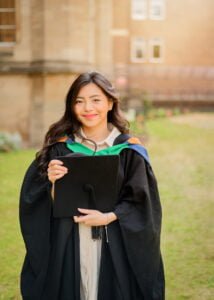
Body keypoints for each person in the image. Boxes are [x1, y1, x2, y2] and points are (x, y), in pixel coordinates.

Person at [19, 71, 165, 300]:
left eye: (95, 99)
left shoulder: (129, 151)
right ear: (71, 106)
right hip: (68, 245)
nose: (88, 108)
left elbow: (141, 202)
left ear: (110, 102)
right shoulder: (59, 149)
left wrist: (109, 217)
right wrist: (52, 183)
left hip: (114, 245)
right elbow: (34, 203)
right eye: (79, 101)